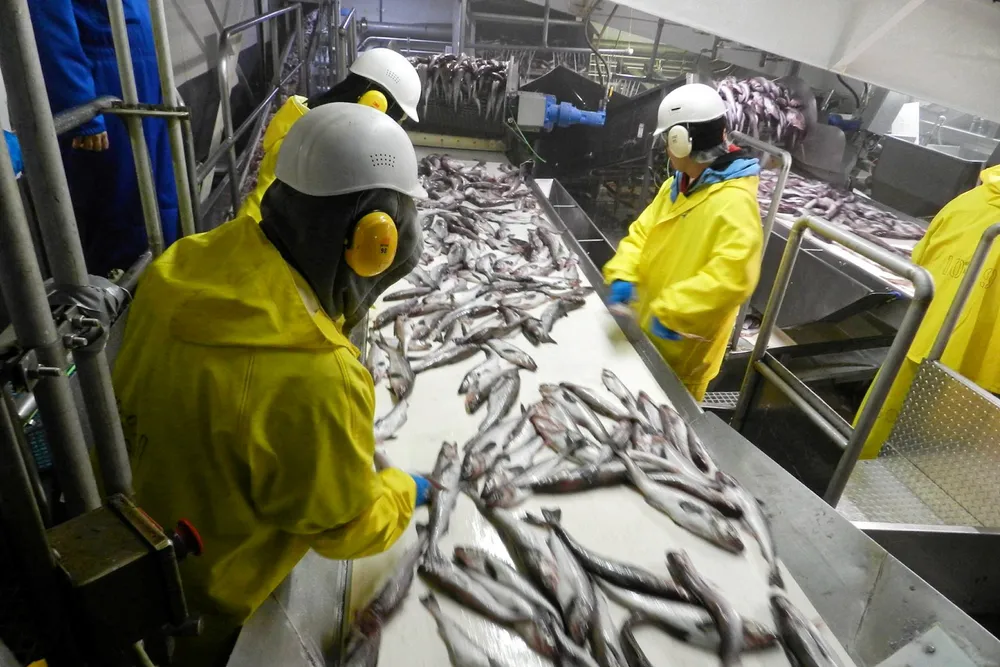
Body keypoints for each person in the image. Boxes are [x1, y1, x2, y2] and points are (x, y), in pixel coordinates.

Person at [112, 103, 429, 667]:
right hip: (209, 587)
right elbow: (342, 528)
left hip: (125, 520)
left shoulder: (182, 263)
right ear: (373, 240)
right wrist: (403, 491)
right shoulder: (318, 378)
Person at [602, 83, 763, 401]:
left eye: (667, 139)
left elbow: (732, 278)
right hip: (644, 331)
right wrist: (623, 273)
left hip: (683, 351)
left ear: (680, 141)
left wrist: (674, 311)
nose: (665, 147)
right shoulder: (677, 187)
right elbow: (642, 233)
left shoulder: (734, 203)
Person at [857, 160, 1000, 458]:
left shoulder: (968, 201)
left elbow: (920, 258)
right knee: (945, 457)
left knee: (878, 426)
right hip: (979, 372)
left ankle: (854, 467)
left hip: (923, 337)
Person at [27, 0, 178, 277]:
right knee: (121, 201)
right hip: (106, 80)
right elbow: (49, 28)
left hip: (144, 74)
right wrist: (80, 106)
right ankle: (125, 292)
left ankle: (165, 278)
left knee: (161, 194)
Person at [238, 47, 422, 222]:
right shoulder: (316, 147)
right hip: (261, 238)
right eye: (395, 118)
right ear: (374, 103)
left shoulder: (307, 119)